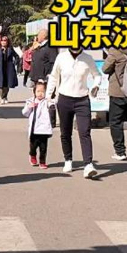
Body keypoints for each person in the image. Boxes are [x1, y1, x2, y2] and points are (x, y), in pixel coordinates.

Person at [46, 45, 100, 178]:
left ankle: (88, 164)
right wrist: (48, 96)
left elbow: (97, 75)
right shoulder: (61, 57)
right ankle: (68, 159)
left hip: (82, 99)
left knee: (84, 131)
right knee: (65, 132)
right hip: (64, 98)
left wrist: (96, 86)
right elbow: (53, 77)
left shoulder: (87, 58)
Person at [21, 78, 55, 168]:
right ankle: (32, 155)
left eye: (42, 91)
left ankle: (42, 162)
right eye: (38, 91)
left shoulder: (47, 102)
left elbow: (53, 104)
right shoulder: (31, 101)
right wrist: (29, 107)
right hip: (34, 129)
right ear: (34, 92)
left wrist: (51, 103)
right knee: (33, 146)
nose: (40, 93)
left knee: (43, 148)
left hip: (44, 129)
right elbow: (25, 113)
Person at [0, 33, 19, 104]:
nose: (3, 42)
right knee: (0, 85)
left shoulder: (10, 49)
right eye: (2, 40)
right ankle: (2, 97)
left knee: (7, 84)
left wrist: (15, 63)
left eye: (5, 41)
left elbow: (17, 56)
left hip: (8, 69)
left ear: (7, 42)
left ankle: (5, 97)